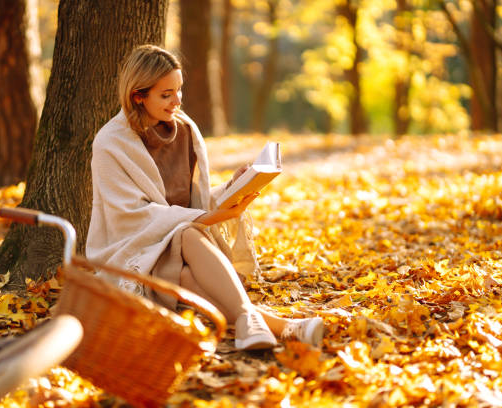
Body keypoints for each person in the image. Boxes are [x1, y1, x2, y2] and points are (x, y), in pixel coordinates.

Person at [86, 44, 324, 350]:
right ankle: (283, 327)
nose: (177, 101)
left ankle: (266, 326)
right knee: (186, 244)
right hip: (137, 250)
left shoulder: (185, 130)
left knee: (186, 257)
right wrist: (205, 219)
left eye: (179, 90)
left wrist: (231, 189)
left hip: (181, 245)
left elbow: (192, 201)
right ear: (138, 96)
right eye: (166, 94)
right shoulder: (110, 143)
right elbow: (129, 216)